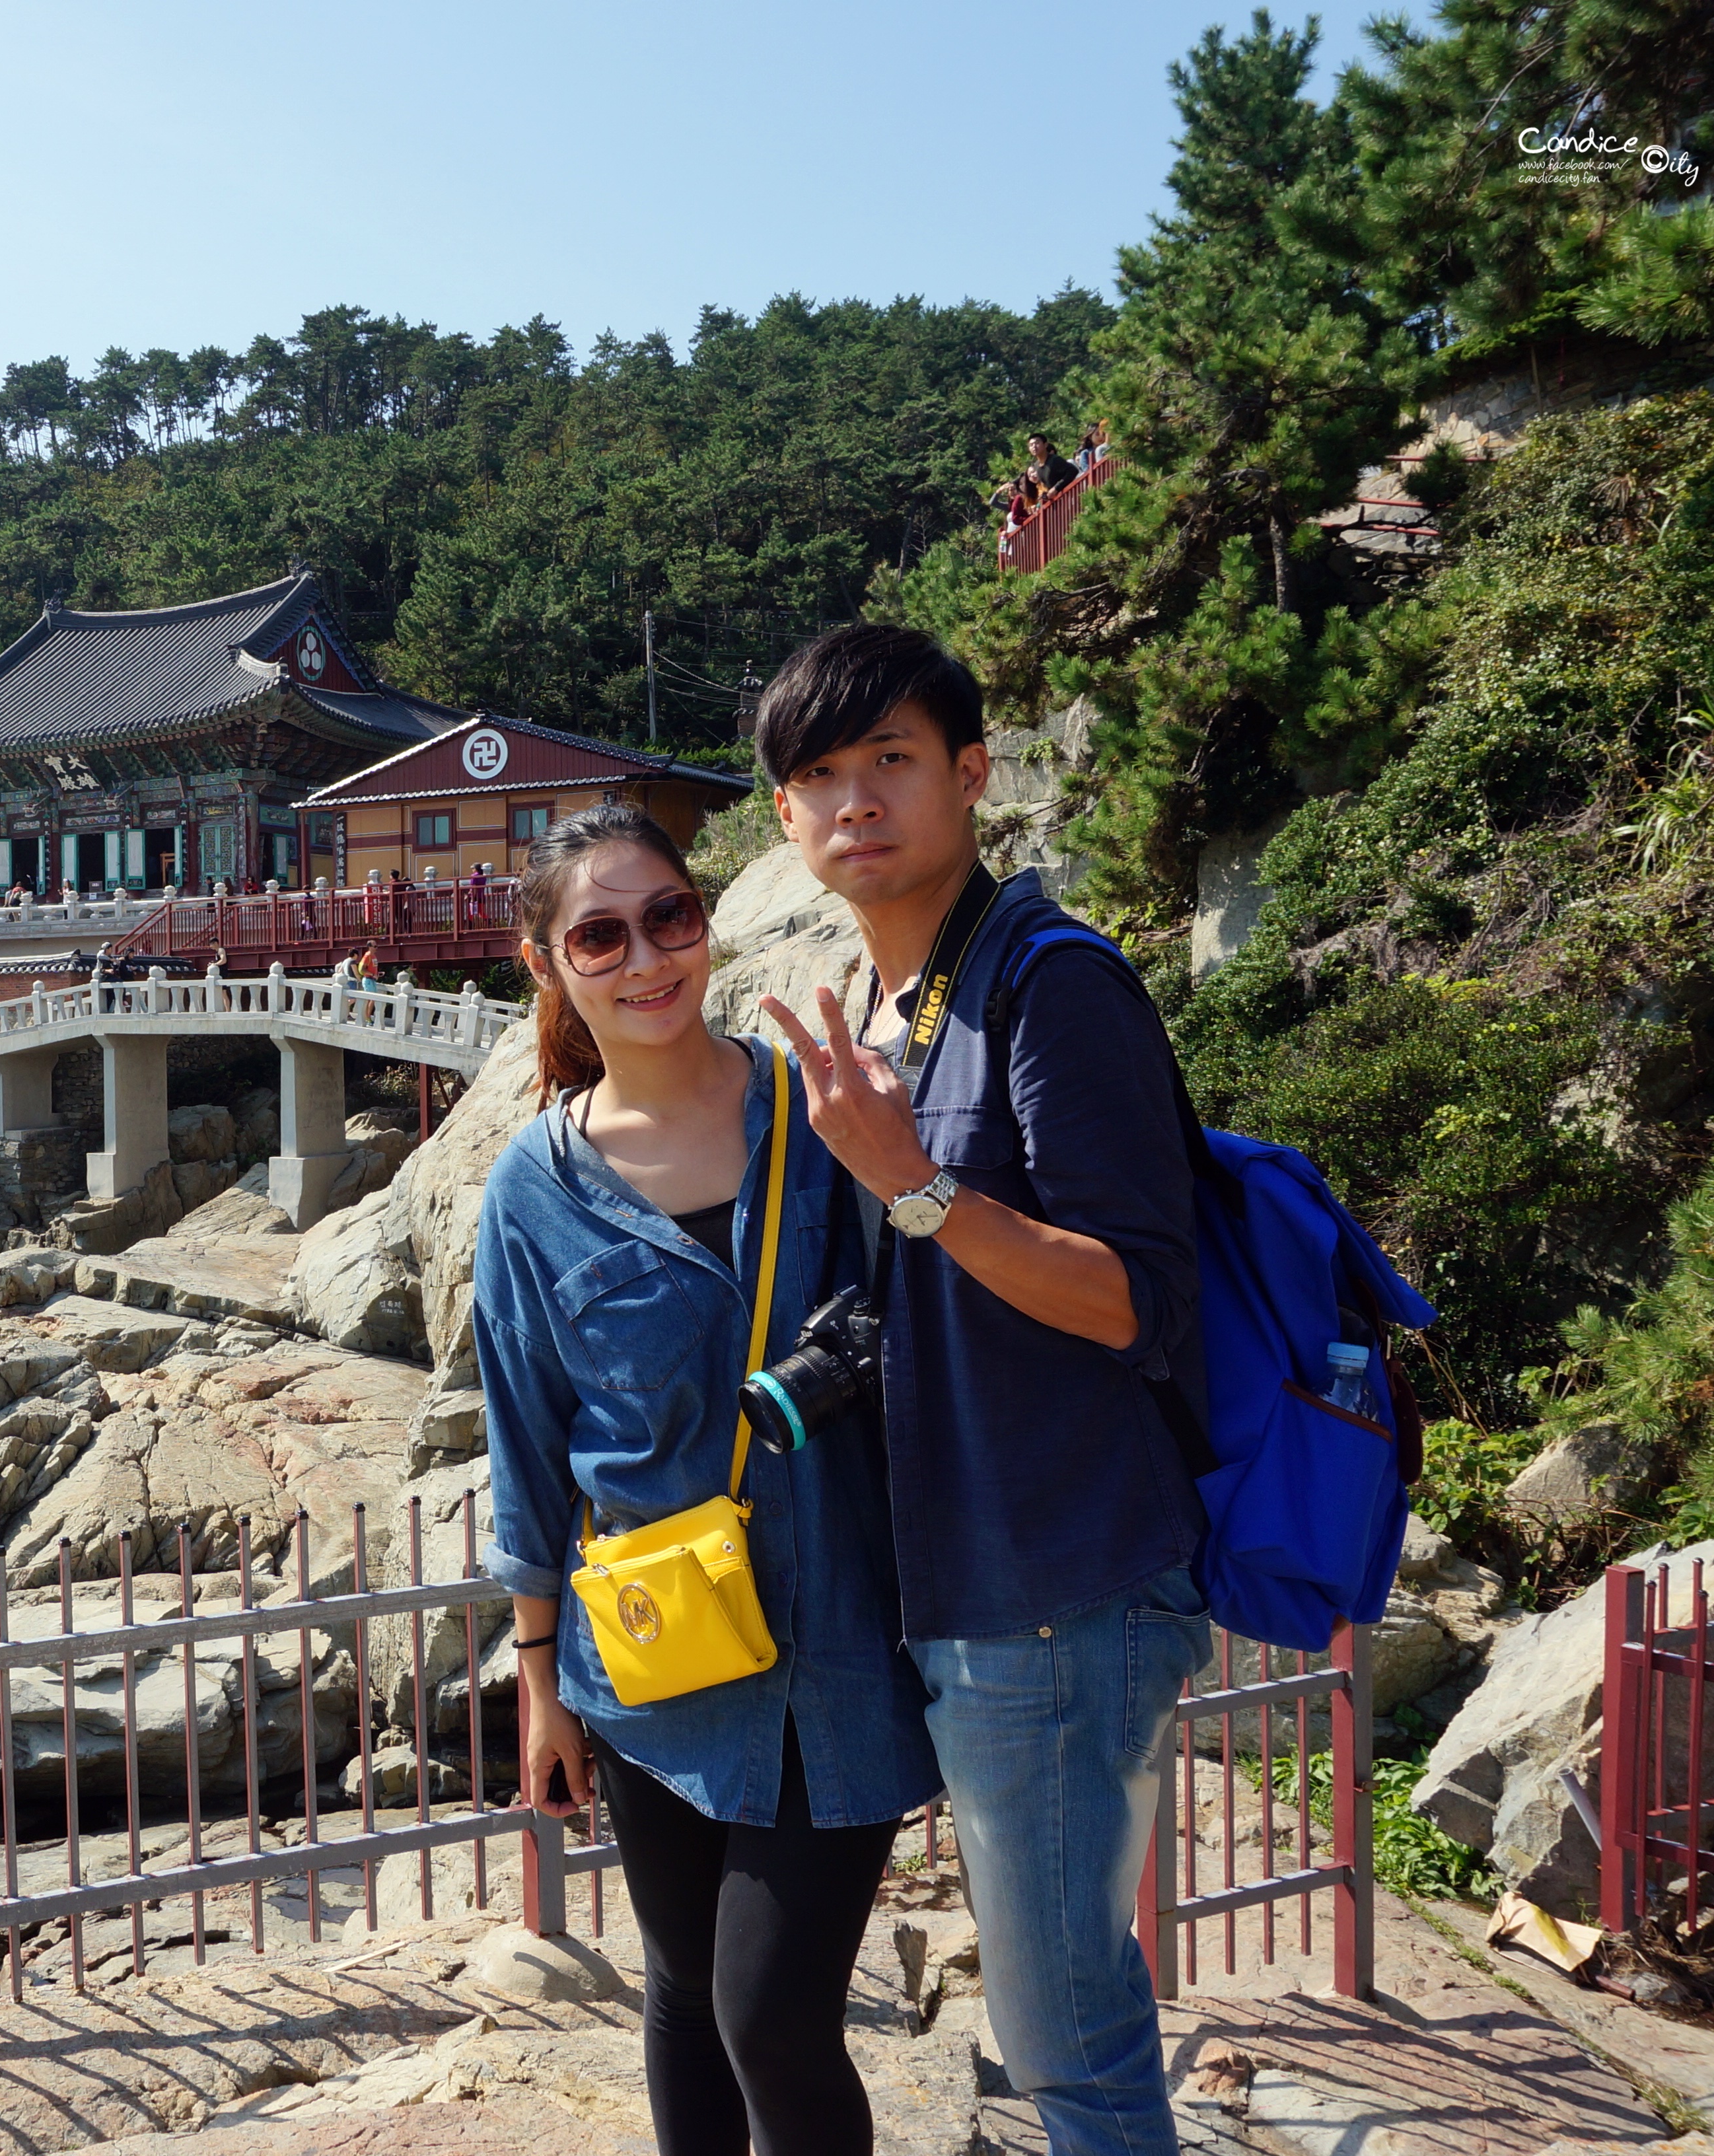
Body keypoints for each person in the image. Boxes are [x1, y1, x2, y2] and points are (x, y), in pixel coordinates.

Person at [750, 625, 1211, 2156]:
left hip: (1055, 1593)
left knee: (1065, 2038)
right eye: (816, 774)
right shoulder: (888, 1012)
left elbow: (1131, 1294)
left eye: (888, 759)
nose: (853, 800)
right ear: (782, 822)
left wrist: (916, 1185)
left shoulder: (1050, 984)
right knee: (1054, 2015)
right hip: (970, 1588)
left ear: (969, 775)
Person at [478, 801, 938, 2156]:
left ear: (704, 918)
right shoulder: (533, 1187)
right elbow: (528, 1440)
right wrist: (538, 1682)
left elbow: (943, 1309)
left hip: (839, 1645)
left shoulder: (820, 1110)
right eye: (598, 935)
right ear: (544, 962)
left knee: (771, 2019)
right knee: (679, 1994)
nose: (643, 959)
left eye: (665, 918)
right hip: (649, 1656)